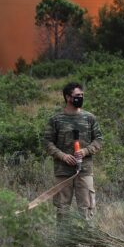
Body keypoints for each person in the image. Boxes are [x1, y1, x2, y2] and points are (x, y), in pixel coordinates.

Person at [42, 82, 103, 220]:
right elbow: (47, 142)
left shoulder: (89, 118)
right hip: (63, 170)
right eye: (77, 95)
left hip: (84, 170)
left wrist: (86, 151)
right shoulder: (56, 120)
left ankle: (86, 238)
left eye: (82, 95)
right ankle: (64, 240)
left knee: (86, 207)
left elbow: (99, 139)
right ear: (68, 97)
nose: (80, 98)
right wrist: (62, 156)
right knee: (63, 208)